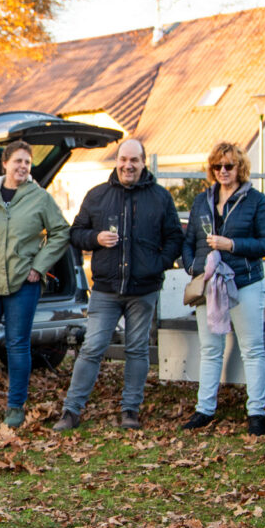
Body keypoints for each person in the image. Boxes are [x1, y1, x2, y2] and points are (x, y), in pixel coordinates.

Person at [53, 138, 184, 432]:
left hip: (143, 290)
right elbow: (76, 233)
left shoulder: (160, 198)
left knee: (137, 350)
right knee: (92, 348)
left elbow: (175, 238)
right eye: (123, 159)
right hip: (106, 289)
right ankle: (71, 411)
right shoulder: (98, 195)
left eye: (134, 160)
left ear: (142, 162)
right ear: (117, 161)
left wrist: (158, 263)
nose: (128, 165)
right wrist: (95, 239)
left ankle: (130, 410)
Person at [0, 140, 70, 429]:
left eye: (27, 162)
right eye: (17, 161)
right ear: (4, 164)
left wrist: (39, 266)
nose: (22, 166)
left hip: (23, 281)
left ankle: (15, 407)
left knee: (18, 346)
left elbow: (60, 233)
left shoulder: (40, 198)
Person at [179, 142, 265, 435]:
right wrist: (191, 267)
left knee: (252, 348)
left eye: (229, 166)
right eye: (217, 166)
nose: (223, 171)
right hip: (208, 284)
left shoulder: (256, 200)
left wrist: (232, 245)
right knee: (210, 349)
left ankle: (257, 412)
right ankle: (205, 409)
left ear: (240, 168)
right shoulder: (201, 201)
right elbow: (188, 240)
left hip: (244, 281)